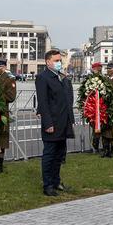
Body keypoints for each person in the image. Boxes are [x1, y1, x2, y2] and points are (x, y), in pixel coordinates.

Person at [35, 49, 75, 196]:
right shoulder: (43, 77)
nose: (59, 63)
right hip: (52, 123)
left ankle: (56, 181)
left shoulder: (62, 77)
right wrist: (48, 123)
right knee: (49, 155)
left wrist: (70, 119)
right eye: (56, 60)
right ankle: (48, 185)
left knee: (59, 155)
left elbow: (67, 100)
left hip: (64, 122)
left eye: (60, 60)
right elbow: (43, 102)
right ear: (48, 62)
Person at [89, 62, 104, 153]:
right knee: (96, 127)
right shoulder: (90, 80)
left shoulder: (103, 79)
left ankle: (99, 145)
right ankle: (95, 145)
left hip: (101, 106)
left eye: (100, 69)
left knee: (101, 127)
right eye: (98, 69)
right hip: (92, 107)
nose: (99, 70)